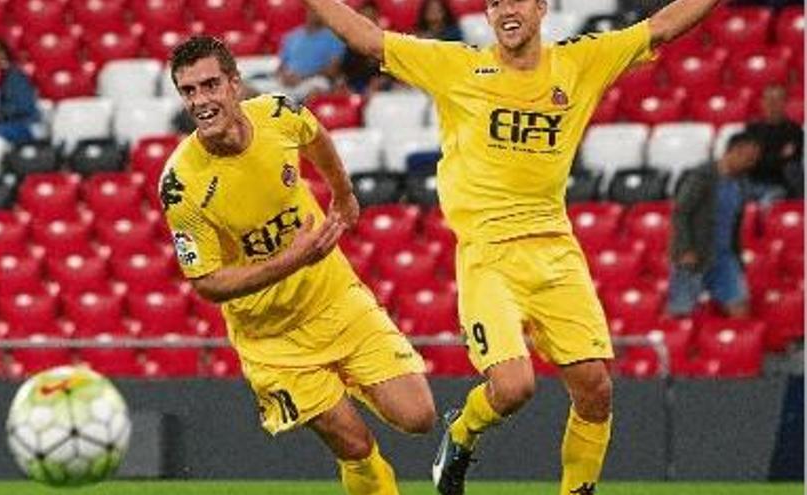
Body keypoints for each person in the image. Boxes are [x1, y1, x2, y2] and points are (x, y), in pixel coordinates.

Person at [301, 0, 727, 494]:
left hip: (554, 249)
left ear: (541, 7)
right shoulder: (458, 67)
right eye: (494, 2)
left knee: (596, 390)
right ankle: (462, 432)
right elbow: (371, 41)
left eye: (516, 0)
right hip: (488, 255)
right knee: (514, 386)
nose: (505, 10)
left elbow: (663, 25)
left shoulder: (580, 62)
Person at [161, 36, 436, 495]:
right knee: (354, 444)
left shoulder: (279, 114)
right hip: (273, 339)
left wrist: (343, 194)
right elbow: (206, 283)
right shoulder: (181, 186)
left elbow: (316, 137)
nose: (201, 101)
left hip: (336, 301)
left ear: (234, 83)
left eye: (210, 85)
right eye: (189, 91)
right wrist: (294, 258)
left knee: (419, 417)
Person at [667, 132, 762, 318]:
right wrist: (686, 249)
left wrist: (738, 256)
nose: (751, 164)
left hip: (725, 257)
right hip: (695, 255)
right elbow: (681, 213)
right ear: (734, 151)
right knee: (681, 313)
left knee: (740, 307)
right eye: (749, 159)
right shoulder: (702, 176)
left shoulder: (741, 184)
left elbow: (735, 225)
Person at [249, 9, 346, 102]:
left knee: (317, 90)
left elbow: (332, 71)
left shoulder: (334, 38)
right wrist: (284, 77)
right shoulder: (292, 36)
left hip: (313, 81)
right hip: (287, 81)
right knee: (248, 89)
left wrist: (302, 77)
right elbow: (281, 67)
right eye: (313, 10)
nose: (315, 13)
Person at [744, 84, 804, 202]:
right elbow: (748, 161)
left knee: (766, 204)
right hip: (750, 183)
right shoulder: (752, 129)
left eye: (777, 99)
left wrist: (761, 157)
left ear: (785, 103)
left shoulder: (794, 130)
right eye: (768, 99)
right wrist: (779, 156)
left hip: (778, 185)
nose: (772, 103)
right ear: (762, 102)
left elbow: (791, 163)